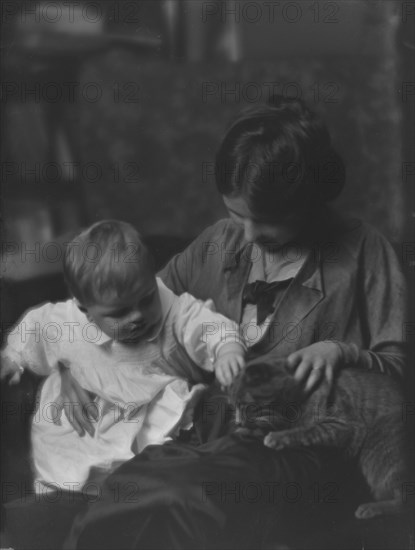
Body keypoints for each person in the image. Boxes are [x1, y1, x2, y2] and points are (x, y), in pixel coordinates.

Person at [59, 96, 405, 549]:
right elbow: (133, 309)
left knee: (189, 496)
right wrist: (73, 364)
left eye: (265, 222)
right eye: (235, 215)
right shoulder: (219, 244)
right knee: (125, 491)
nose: (247, 236)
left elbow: (401, 368)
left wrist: (343, 352)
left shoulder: (364, 253)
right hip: (209, 430)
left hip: (302, 445)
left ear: (308, 201)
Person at [0, 220, 246, 492]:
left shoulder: (173, 310)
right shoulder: (67, 321)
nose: (138, 316)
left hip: (147, 414)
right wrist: (13, 358)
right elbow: (35, 326)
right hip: (87, 420)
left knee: (154, 462)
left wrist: (226, 349)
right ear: (86, 310)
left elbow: (206, 324)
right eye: (119, 313)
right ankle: (64, 493)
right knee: (66, 464)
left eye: (146, 299)